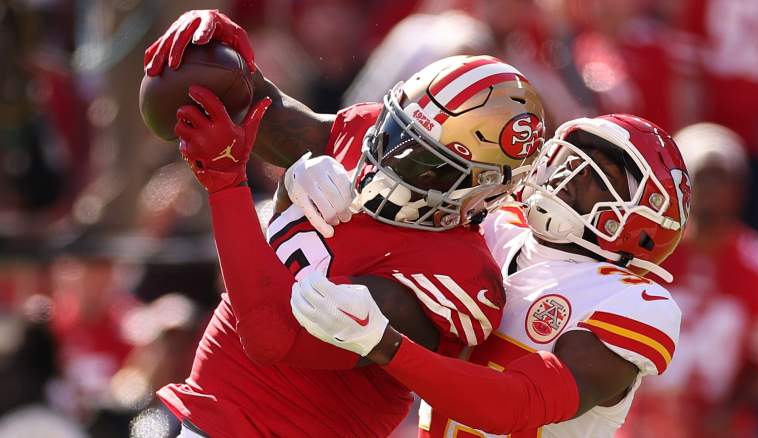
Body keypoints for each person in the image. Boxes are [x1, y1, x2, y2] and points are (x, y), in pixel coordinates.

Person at [144, 10, 547, 437]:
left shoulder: (458, 276)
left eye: (425, 161)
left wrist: (226, 185)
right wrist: (215, 57)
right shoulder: (362, 132)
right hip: (211, 415)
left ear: (481, 192)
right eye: (395, 133)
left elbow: (269, 334)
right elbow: (258, 111)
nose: (389, 162)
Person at [292, 114, 691, 437]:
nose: (576, 169)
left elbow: (515, 405)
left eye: (603, 169)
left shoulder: (634, 302)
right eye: (576, 155)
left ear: (648, 216)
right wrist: (334, 184)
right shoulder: (492, 223)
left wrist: (384, 343)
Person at [621, 123, 758, 438]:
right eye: (702, 175)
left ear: (741, 187)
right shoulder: (642, 251)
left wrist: (729, 410)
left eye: (722, 177)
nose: (712, 189)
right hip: (637, 422)